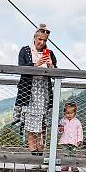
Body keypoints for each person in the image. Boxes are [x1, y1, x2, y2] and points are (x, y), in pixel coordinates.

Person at [15, 24, 57, 157]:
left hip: (44, 91)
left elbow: (56, 74)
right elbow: (21, 69)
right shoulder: (25, 51)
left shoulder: (50, 53)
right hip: (29, 91)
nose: (42, 42)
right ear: (34, 38)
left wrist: (51, 65)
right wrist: (36, 65)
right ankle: (34, 153)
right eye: (40, 39)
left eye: (44, 40)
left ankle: (41, 151)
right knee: (30, 123)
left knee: (43, 123)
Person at [57, 102, 83, 171]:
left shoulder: (77, 122)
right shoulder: (63, 121)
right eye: (67, 113)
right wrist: (60, 129)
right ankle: (65, 165)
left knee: (73, 154)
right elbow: (59, 131)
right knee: (66, 154)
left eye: (71, 113)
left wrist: (79, 140)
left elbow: (80, 132)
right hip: (65, 141)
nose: (69, 115)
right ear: (64, 113)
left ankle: (73, 166)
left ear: (74, 113)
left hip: (74, 141)